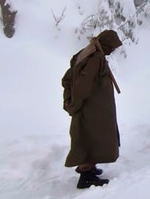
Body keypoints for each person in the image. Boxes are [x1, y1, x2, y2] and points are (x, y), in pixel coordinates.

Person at [62, 29, 123, 189]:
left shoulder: (87, 53)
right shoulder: (95, 58)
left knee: (91, 138)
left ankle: (90, 167)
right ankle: (86, 175)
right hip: (92, 109)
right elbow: (83, 84)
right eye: (112, 47)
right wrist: (75, 103)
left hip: (93, 108)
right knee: (93, 138)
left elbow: (68, 77)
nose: (112, 50)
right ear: (107, 44)